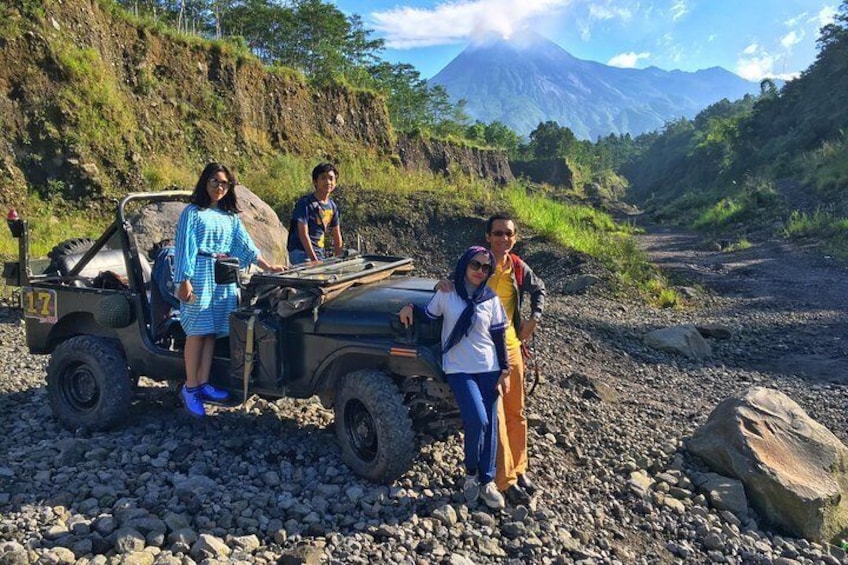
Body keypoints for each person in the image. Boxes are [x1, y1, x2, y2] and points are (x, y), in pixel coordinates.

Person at [436, 213, 546, 507]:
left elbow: (539, 290)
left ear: (515, 237)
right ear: (488, 236)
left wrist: (534, 318)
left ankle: (519, 469)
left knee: (516, 412)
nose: (503, 239)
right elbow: (450, 282)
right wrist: (440, 284)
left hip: (511, 346)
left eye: (508, 234)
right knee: (493, 416)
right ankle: (504, 479)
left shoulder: (518, 267)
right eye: (497, 233)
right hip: (485, 355)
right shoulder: (477, 262)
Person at [399, 246, 510, 510]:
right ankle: (471, 473)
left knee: (490, 425)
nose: (480, 272)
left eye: (486, 268)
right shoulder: (447, 294)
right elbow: (427, 315)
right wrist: (409, 307)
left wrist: (505, 369)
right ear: (464, 265)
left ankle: (487, 480)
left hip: (489, 367)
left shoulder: (490, 299)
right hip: (459, 368)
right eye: (475, 265)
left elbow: (499, 337)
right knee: (477, 420)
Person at [173, 163, 284, 418]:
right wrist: (183, 279)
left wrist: (268, 265)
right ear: (205, 182)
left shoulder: (230, 217)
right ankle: (190, 387)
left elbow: (245, 245)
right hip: (199, 272)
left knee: (212, 331)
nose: (219, 188)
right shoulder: (193, 213)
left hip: (222, 274)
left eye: (224, 184)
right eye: (215, 182)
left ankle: (203, 383)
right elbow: (184, 247)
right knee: (197, 331)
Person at [286, 162, 343, 264]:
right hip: (301, 252)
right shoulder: (305, 203)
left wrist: (339, 261)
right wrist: (314, 261)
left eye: (331, 178)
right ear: (315, 182)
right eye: (323, 178)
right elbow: (303, 234)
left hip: (319, 253)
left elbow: (337, 235)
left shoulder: (332, 206)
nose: (328, 182)